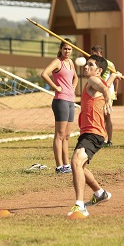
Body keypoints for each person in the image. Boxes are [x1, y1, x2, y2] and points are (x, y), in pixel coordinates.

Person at [67, 54, 123, 217]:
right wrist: (114, 75)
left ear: (98, 70)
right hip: (88, 132)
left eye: (90, 65)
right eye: (86, 64)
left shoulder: (92, 81)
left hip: (93, 133)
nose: (86, 67)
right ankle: (100, 193)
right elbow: (105, 86)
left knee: (76, 161)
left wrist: (108, 100)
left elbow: (104, 88)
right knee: (80, 167)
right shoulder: (96, 83)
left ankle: (79, 205)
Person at [41, 39, 78, 174]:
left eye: (69, 49)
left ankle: (66, 164)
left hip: (70, 100)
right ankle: (59, 166)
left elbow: (75, 77)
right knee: (59, 134)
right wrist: (56, 87)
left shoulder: (70, 62)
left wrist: (73, 87)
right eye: (65, 49)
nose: (67, 51)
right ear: (61, 49)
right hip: (60, 100)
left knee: (67, 136)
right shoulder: (58, 62)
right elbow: (44, 74)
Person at [91, 45, 118, 147]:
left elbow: (115, 78)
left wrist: (115, 91)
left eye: (95, 54)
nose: (93, 56)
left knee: (107, 117)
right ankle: (100, 139)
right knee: (98, 117)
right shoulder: (93, 64)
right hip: (97, 93)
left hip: (108, 93)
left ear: (99, 54)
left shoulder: (109, 64)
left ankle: (109, 140)